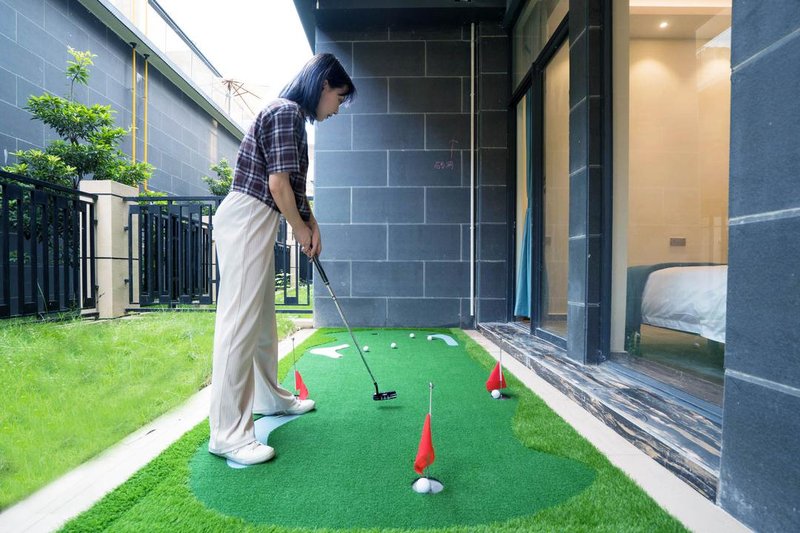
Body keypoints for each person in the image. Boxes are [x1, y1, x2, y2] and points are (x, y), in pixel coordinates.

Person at [208, 54, 356, 465]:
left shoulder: (291, 118)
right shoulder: (285, 111)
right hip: (248, 216)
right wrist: (299, 228)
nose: (337, 108)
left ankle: (268, 398)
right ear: (323, 85)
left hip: (257, 218)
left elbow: (292, 185)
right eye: (339, 98)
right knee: (239, 323)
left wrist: (312, 223)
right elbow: (277, 185)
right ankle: (227, 434)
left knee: (260, 320)